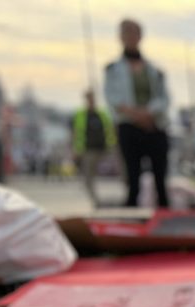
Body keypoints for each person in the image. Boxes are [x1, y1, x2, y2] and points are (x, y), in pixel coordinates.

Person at [103, 19, 171, 208]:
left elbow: (163, 98)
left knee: (160, 177)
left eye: (134, 33)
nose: (131, 37)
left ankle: (164, 217)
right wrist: (136, 114)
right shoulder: (113, 70)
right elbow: (113, 99)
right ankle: (132, 217)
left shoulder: (154, 70)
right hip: (129, 126)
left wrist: (148, 113)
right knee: (133, 176)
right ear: (121, 37)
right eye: (127, 33)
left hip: (154, 125)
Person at [72, 90, 116, 207]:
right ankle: (96, 200)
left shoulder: (102, 114)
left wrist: (112, 146)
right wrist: (76, 149)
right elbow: (76, 133)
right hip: (88, 150)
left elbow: (110, 130)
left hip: (104, 148)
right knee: (88, 176)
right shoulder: (81, 115)